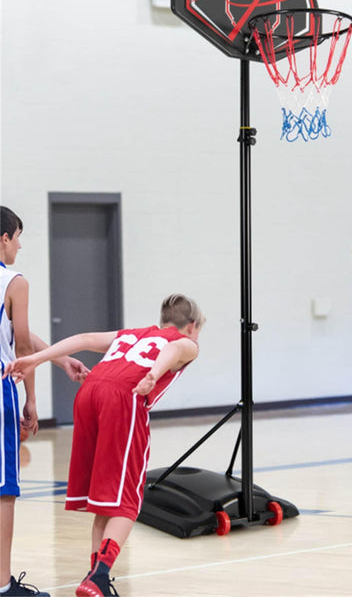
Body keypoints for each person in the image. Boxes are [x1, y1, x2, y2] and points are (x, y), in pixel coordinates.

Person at [5, 294, 204, 597]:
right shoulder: (187, 342)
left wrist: (36, 358)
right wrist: (153, 373)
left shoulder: (132, 334)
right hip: (124, 398)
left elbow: (84, 338)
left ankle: (93, 578)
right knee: (128, 500)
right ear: (192, 325)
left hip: (89, 392)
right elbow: (174, 348)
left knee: (105, 499)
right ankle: (99, 577)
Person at [1, 206, 88, 597]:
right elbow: (20, 347)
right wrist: (31, 399)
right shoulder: (14, 281)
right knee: (5, 491)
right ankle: (2, 586)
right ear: (4, 238)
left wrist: (58, 356)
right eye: (18, 236)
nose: (19, 245)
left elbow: (16, 332)